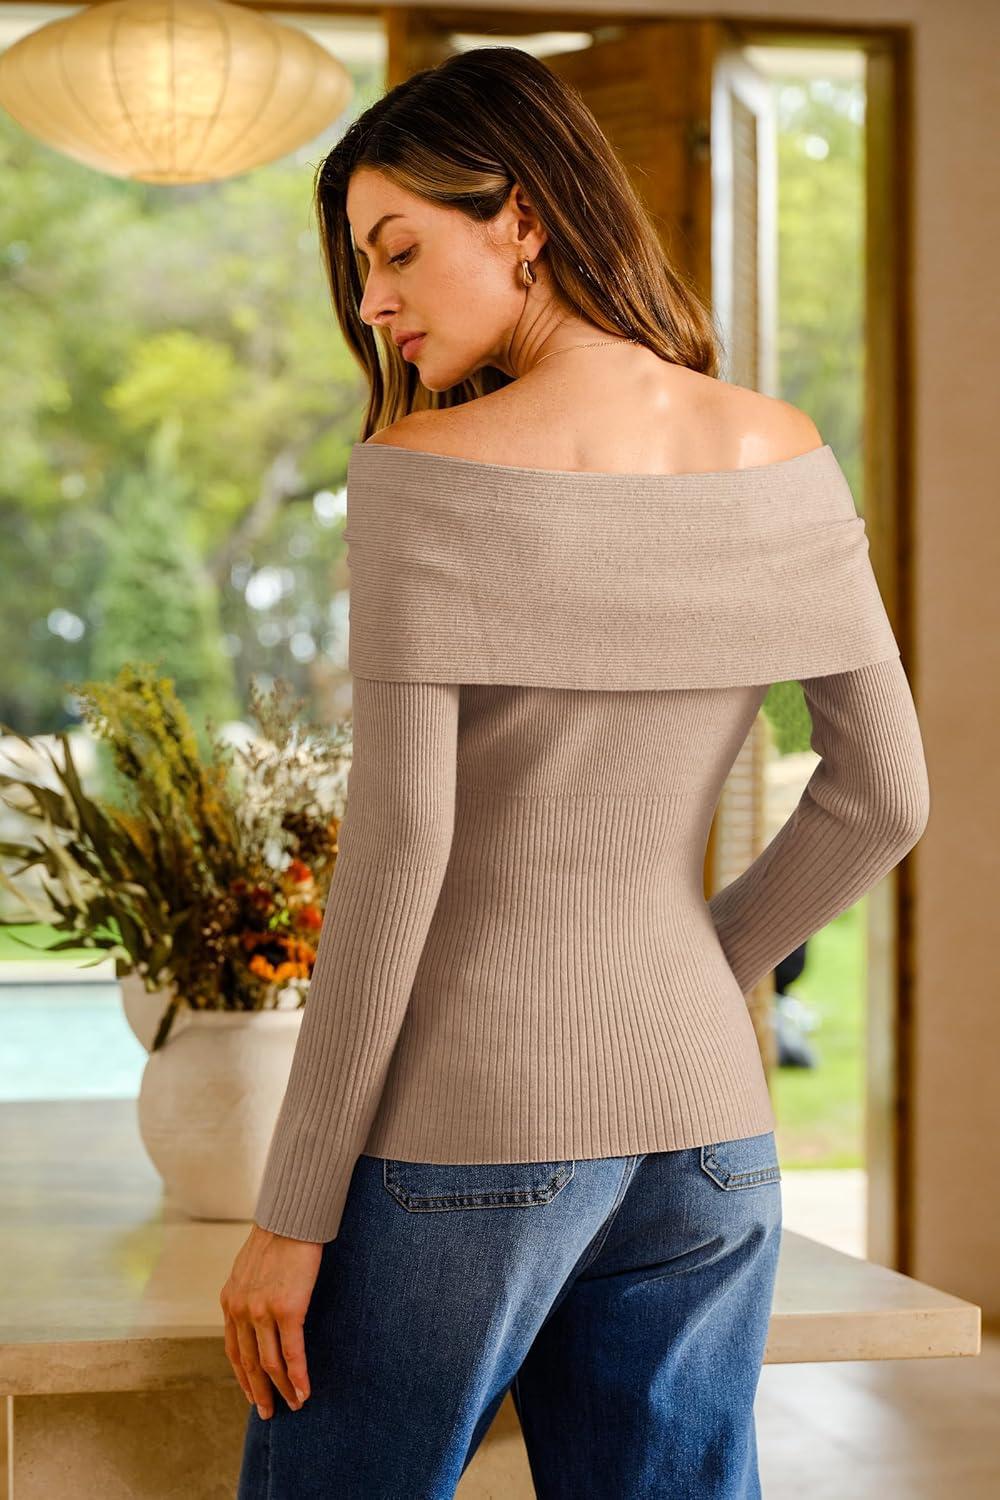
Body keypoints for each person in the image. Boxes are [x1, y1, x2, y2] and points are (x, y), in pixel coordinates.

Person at [222, 45, 930, 1500]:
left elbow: (403, 851)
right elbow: (885, 797)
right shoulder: (782, 450)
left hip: (470, 1123)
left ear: (527, 219)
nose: (374, 300)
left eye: (398, 249)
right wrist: (692, 969)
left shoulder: (427, 466)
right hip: (710, 1126)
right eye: (361, 265)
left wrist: (292, 1214)